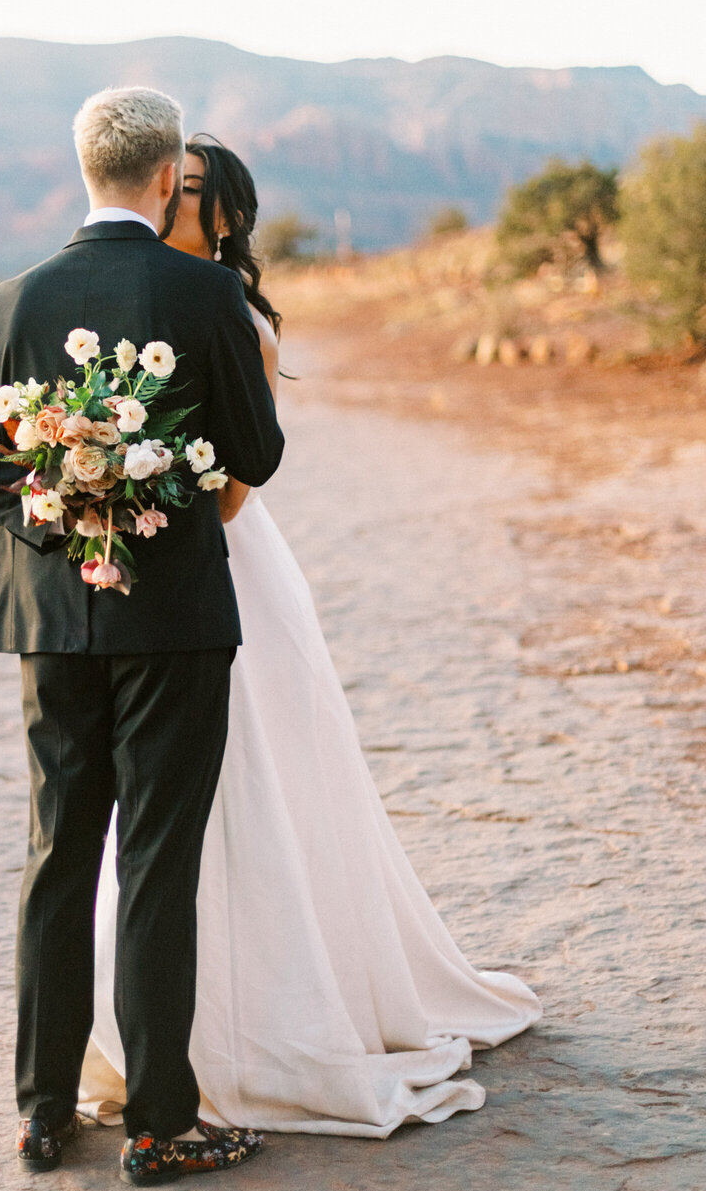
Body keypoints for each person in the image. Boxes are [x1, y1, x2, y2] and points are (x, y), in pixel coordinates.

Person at [78, 136, 542, 1137]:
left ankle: (275, 1020)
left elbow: (238, 496)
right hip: (147, 588)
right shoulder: (136, 305)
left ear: (225, 216)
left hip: (229, 576)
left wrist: (159, 495)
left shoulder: (238, 322)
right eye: (169, 187)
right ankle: (162, 1035)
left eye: (191, 193)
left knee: (261, 787)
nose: (170, 204)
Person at [0, 89, 284, 1186]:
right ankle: (159, 1124)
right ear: (167, 168)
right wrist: (153, 476)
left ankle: (42, 1115)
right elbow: (257, 454)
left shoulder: (12, 299)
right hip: (172, 618)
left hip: (47, 618)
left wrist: (49, 504)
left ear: (83, 165)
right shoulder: (206, 291)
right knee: (154, 868)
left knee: (56, 860)